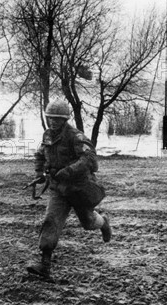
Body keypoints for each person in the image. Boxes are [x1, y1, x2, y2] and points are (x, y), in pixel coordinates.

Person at [27, 99, 111, 281]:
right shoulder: (47, 135)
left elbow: (89, 159)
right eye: (51, 118)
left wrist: (67, 171)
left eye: (57, 119)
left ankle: (103, 222)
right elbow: (40, 155)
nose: (53, 122)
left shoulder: (76, 136)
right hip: (58, 189)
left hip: (78, 188)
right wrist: (40, 172)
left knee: (89, 223)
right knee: (51, 221)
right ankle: (45, 265)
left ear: (65, 120)